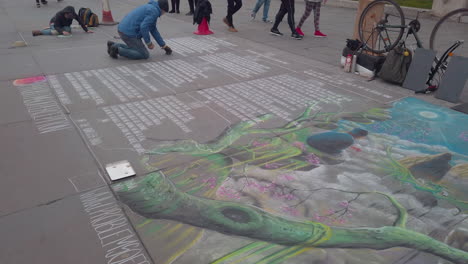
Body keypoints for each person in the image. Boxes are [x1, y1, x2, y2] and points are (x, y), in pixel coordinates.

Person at [107, 0, 172, 60]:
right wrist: (148, 43)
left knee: (135, 49)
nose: (163, 14)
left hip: (123, 29)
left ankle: (113, 46)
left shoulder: (151, 7)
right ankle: (117, 50)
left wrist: (163, 45)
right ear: (162, 9)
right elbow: (144, 27)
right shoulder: (154, 12)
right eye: (164, 12)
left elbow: (153, 29)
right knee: (144, 54)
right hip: (129, 33)